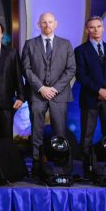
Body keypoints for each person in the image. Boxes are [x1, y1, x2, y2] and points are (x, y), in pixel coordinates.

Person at [21, 12, 76, 168]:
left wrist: (54, 89)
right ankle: (37, 162)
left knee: (60, 130)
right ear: (38, 24)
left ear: (55, 24)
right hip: (36, 94)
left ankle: (60, 162)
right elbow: (26, 69)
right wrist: (41, 88)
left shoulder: (66, 44)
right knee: (36, 130)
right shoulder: (30, 44)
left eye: (50, 22)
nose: (47, 25)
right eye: (44, 22)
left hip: (59, 94)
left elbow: (71, 69)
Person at [74, 16, 106, 164]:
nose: (96, 30)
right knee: (87, 135)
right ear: (87, 30)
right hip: (90, 99)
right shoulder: (80, 50)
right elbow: (81, 75)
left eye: (99, 26)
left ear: (103, 28)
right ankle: (86, 166)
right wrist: (99, 90)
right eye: (92, 27)